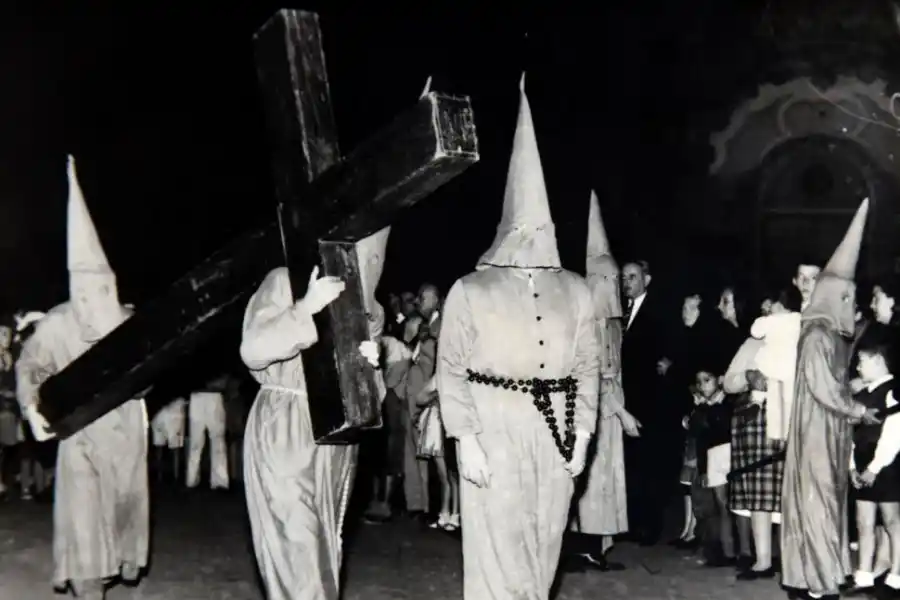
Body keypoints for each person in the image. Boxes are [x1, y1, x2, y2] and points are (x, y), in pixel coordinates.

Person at [437, 73, 600, 599]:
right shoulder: (471, 288)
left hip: (556, 427)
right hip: (493, 426)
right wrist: (466, 440)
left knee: (546, 541)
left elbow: (588, 367)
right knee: (497, 547)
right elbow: (450, 367)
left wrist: (582, 437)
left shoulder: (576, 292)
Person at [16, 156, 149, 600]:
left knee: (119, 518)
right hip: (82, 438)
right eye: (87, 294)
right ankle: (89, 589)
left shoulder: (130, 321)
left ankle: (111, 571)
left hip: (127, 436)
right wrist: (32, 407)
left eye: (103, 291)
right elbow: (30, 365)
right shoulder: (57, 323)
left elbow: (152, 372)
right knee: (85, 524)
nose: (96, 303)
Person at [240, 225, 385, 600]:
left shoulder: (371, 306)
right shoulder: (284, 281)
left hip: (337, 441)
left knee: (323, 550)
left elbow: (372, 395)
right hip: (286, 428)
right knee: (297, 549)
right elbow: (253, 349)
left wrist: (371, 367)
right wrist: (306, 306)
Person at [781, 198, 882, 600]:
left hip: (829, 433)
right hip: (818, 435)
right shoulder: (819, 336)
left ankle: (815, 578)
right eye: (848, 298)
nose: (851, 306)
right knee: (819, 502)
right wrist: (857, 408)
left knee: (824, 501)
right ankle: (818, 582)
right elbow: (823, 389)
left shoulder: (829, 336)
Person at [565, 190, 631, 571]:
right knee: (595, 478)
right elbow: (601, 376)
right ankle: (589, 545)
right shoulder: (594, 323)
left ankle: (597, 544)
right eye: (607, 278)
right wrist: (621, 413)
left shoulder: (611, 324)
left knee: (602, 479)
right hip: (601, 411)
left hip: (608, 408)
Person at [846, 333, 900, 597]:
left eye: (862, 361)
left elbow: (893, 434)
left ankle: (896, 578)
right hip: (862, 465)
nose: (857, 367)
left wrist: (874, 467)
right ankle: (864, 576)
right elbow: (852, 435)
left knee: (892, 521)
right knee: (863, 521)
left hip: (886, 467)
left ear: (879, 361)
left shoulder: (893, 391)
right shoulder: (863, 396)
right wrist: (852, 467)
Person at [748, 287, 802, 441]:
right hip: (790, 365)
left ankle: (757, 401)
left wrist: (763, 318)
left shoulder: (769, 320)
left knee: (765, 386)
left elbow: (755, 332)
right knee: (787, 399)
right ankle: (787, 433)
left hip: (771, 363)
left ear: (778, 305)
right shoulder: (799, 319)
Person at [186, 377, 228, 491]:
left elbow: (224, 381)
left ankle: (220, 481)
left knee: (217, 440)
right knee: (195, 442)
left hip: (213, 396)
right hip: (198, 396)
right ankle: (191, 479)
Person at [150, 397, 186, 484]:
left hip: (158, 415)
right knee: (175, 448)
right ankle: (175, 476)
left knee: (159, 447)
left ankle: (159, 476)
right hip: (174, 414)